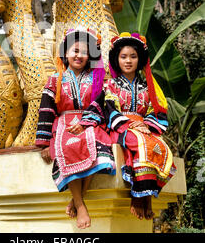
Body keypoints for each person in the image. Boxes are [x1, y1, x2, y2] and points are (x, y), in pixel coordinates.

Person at [81, 32, 176, 220]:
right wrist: (130, 124)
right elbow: (109, 108)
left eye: (133, 56)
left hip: (144, 128)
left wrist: (147, 125)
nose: (128, 60)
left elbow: (154, 110)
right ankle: (138, 196)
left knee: (160, 147)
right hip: (120, 127)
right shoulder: (111, 85)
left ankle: (147, 194)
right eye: (123, 56)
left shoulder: (147, 86)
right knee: (138, 143)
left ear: (140, 59)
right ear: (117, 59)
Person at [35, 28, 116, 229]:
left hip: (89, 121)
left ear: (91, 56)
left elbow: (100, 104)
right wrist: (44, 143)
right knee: (68, 145)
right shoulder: (55, 79)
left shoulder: (97, 79)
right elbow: (46, 109)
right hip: (64, 122)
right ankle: (81, 205)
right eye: (74, 50)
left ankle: (77, 201)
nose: (79, 55)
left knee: (97, 145)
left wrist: (85, 123)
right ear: (65, 53)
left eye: (84, 52)